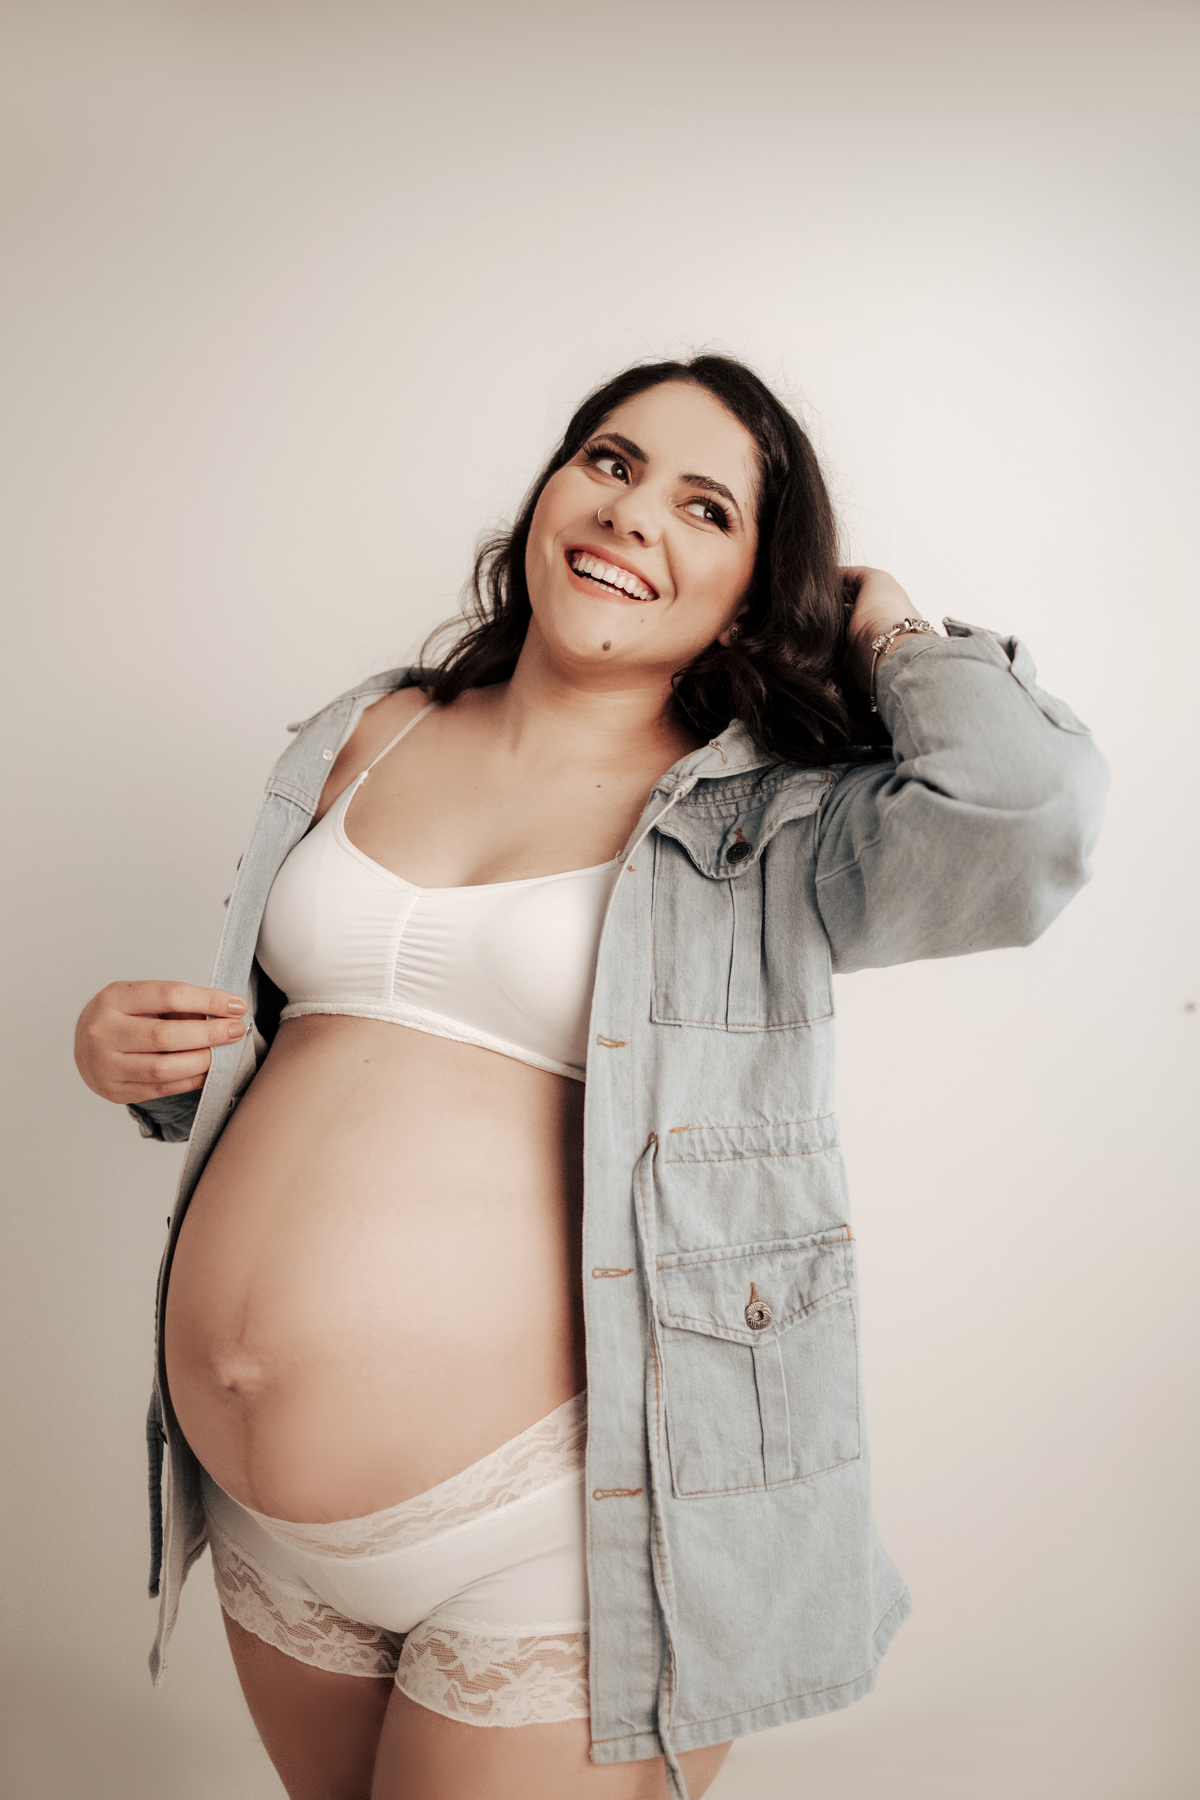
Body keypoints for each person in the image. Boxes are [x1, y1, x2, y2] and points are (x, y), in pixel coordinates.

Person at [74, 355, 1108, 1800]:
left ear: (753, 595)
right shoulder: (369, 727)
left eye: (705, 507)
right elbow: (312, 1075)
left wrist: (890, 628)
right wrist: (136, 1063)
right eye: (612, 464)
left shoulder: (768, 827)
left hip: (562, 1526)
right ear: (552, 490)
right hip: (266, 1528)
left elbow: (1029, 816)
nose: (633, 514)